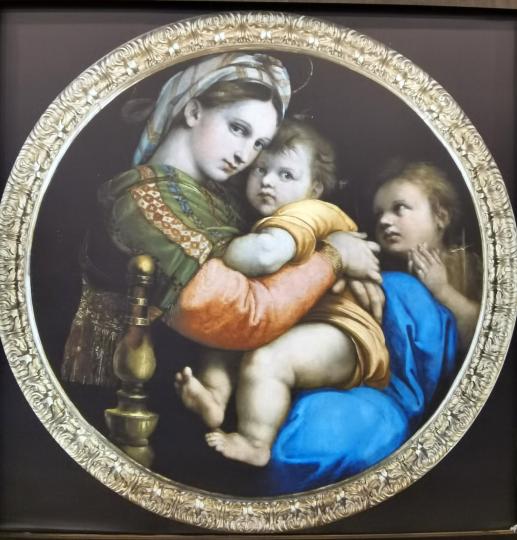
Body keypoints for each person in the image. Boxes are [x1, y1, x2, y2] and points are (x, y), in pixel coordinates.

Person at [173, 119, 390, 467]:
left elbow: (263, 255)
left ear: (314, 188)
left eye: (286, 175)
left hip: (340, 334)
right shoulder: (267, 217)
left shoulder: (308, 213)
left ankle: (255, 442)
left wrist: (223, 251)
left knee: (266, 360)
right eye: (261, 169)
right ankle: (215, 397)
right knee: (221, 341)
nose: (267, 181)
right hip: (289, 323)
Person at [373, 162, 481, 349]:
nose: (383, 220)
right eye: (378, 214)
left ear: (441, 217)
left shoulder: (471, 266)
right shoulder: (385, 277)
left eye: (399, 208)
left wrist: (443, 291)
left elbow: (486, 331)